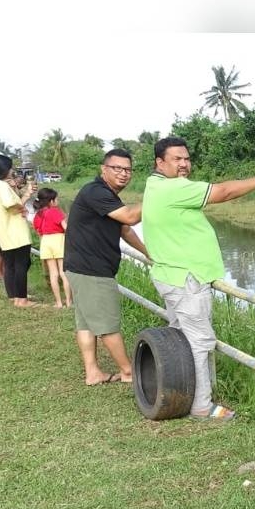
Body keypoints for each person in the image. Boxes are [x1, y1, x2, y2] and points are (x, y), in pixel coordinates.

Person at [142, 136, 255, 420]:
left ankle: (182, 395)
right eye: (176, 159)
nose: (183, 164)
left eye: (186, 158)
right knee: (201, 342)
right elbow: (224, 192)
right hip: (187, 279)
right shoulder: (174, 188)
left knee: (182, 337)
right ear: (160, 162)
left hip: (171, 275)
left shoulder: (153, 185)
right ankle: (202, 406)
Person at [64, 149, 149, 385]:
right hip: (91, 270)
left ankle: (93, 373)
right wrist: (159, 195)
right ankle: (129, 372)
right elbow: (131, 217)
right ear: (104, 169)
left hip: (80, 266)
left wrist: (147, 253)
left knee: (86, 323)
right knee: (107, 325)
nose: (123, 174)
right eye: (117, 168)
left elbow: (125, 229)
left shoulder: (107, 195)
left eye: (128, 170)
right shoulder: (97, 192)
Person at [0, 155, 36, 307]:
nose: (12, 170)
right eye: (11, 167)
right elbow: (10, 205)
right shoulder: (1, 185)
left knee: (11, 265)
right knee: (21, 263)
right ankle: (22, 300)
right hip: (15, 232)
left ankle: (14, 296)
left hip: (5, 232)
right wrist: (26, 197)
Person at [32, 187, 72, 308]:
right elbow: (66, 227)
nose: (58, 201)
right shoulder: (55, 211)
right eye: (56, 199)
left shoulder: (38, 214)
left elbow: (38, 230)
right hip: (58, 240)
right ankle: (69, 302)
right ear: (51, 201)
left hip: (45, 241)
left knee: (53, 273)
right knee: (63, 272)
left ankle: (59, 303)